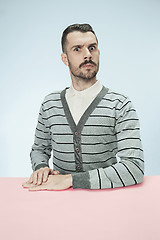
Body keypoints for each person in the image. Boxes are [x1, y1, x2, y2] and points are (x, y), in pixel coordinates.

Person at [22, 23, 144, 191]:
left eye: (92, 48)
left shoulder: (120, 104)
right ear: (65, 58)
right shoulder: (50, 104)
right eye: (77, 49)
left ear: (98, 53)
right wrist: (41, 167)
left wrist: (71, 180)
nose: (88, 55)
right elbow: (39, 149)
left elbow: (134, 168)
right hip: (57, 203)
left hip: (107, 200)